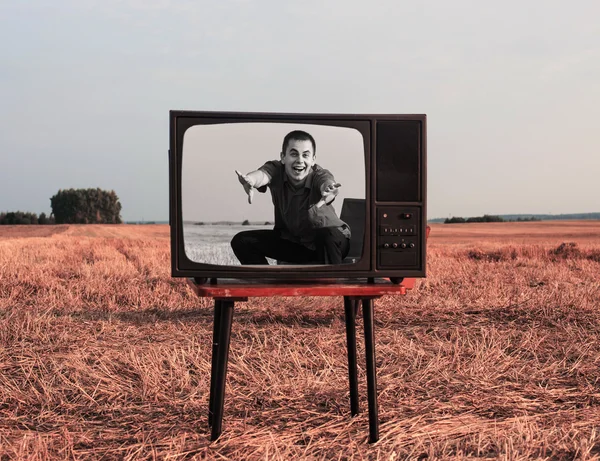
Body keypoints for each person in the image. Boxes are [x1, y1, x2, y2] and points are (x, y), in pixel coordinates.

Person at [231, 130, 351, 265]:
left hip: (331, 243)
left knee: (326, 236)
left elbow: (328, 184)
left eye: (305, 155)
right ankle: (267, 282)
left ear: (313, 160)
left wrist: (329, 190)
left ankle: (332, 284)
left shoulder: (319, 175)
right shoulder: (276, 169)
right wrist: (251, 180)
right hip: (296, 243)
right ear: (283, 157)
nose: (300, 160)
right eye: (294, 154)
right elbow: (262, 176)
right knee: (241, 241)